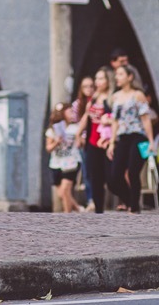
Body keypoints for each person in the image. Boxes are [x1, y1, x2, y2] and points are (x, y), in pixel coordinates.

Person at [108, 63, 154, 213]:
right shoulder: (115, 97)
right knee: (114, 178)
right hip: (122, 137)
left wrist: (151, 141)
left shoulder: (138, 95)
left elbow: (146, 119)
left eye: (121, 74)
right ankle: (130, 201)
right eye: (117, 74)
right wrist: (111, 142)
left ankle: (134, 208)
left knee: (133, 172)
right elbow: (115, 121)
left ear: (130, 77)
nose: (117, 77)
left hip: (138, 137)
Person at [75, 67, 113, 214]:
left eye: (101, 78)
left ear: (108, 80)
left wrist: (108, 120)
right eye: (96, 78)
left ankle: (128, 203)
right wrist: (79, 134)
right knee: (94, 177)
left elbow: (116, 119)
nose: (97, 82)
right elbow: (86, 116)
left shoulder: (111, 97)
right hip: (92, 143)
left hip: (107, 143)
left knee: (110, 177)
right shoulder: (95, 97)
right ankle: (99, 210)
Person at [45, 103, 82, 213]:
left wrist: (80, 138)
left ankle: (67, 216)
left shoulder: (75, 128)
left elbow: (81, 143)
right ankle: (78, 209)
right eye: (69, 111)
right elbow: (48, 148)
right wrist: (57, 142)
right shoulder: (52, 130)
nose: (72, 114)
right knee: (61, 193)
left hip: (71, 161)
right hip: (56, 163)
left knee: (65, 190)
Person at [71, 75, 95, 210]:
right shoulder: (77, 104)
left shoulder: (98, 101)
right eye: (86, 86)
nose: (89, 89)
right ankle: (91, 199)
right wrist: (79, 138)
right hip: (84, 141)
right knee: (86, 171)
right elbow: (76, 124)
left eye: (91, 86)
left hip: (97, 140)